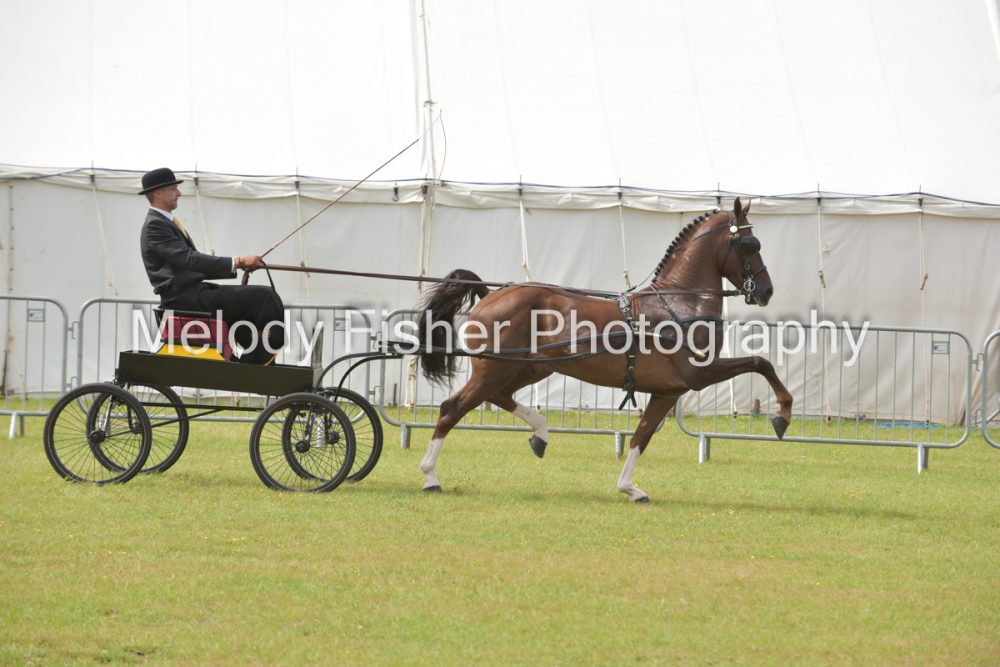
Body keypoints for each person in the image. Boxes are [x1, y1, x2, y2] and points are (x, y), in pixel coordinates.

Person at [138, 167, 284, 364]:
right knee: (264, 296)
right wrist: (238, 261)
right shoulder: (155, 226)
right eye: (174, 189)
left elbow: (192, 265)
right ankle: (258, 360)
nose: (179, 193)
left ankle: (253, 357)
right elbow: (191, 259)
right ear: (158, 193)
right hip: (184, 299)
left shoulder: (164, 223)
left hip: (193, 294)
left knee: (254, 302)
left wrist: (238, 266)